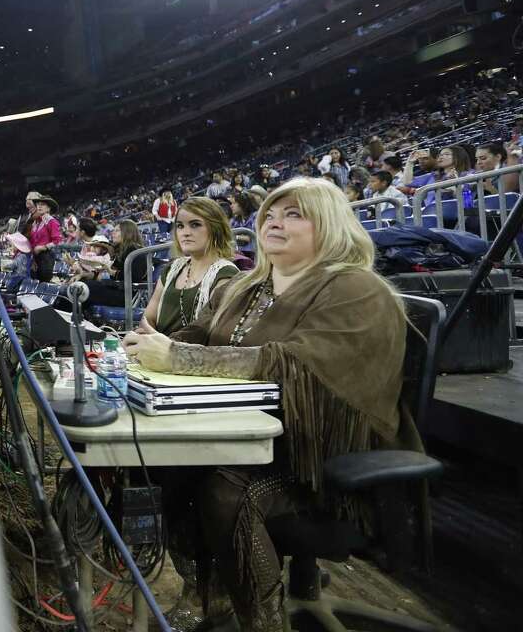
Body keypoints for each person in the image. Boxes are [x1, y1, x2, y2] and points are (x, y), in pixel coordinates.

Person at [123, 178, 415, 632]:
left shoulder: (358, 289)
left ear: (331, 225)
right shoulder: (248, 285)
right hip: (246, 437)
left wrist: (180, 357)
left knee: (228, 489)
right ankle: (210, 595)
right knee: (166, 467)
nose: (275, 222)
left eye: (294, 214)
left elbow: (293, 364)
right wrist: (148, 346)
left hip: (320, 460)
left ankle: (262, 621)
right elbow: (201, 333)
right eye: (270, 215)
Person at [141, 197, 240, 335]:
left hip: (192, 353)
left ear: (216, 229)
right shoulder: (172, 269)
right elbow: (148, 317)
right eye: (180, 226)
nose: (185, 233)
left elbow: (212, 334)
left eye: (195, 225)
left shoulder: (226, 274)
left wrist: (164, 348)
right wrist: (151, 340)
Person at [26, 195, 62, 282]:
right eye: (38, 204)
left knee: (43, 282)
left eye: (42, 204)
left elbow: (57, 241)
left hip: (46, 257)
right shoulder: (35, 222)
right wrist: (33, 259)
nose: (39, 206)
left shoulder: (52, 222)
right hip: (35, 258)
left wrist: (43, 247)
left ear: (48, 208)